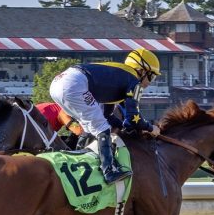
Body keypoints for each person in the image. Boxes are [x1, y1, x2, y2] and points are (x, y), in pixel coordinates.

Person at [49, 48, 161, 183]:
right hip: (74, 84)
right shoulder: (134, 82)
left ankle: (77, 159)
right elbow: (133, 117)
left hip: (59, 83)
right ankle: (109, 171)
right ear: (142, 71)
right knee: (100, 127)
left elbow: (107, 115)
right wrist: (150, 128)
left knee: (91, 126)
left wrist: (122, 126)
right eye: (152, 76)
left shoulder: (121, 76)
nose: (150, 83)